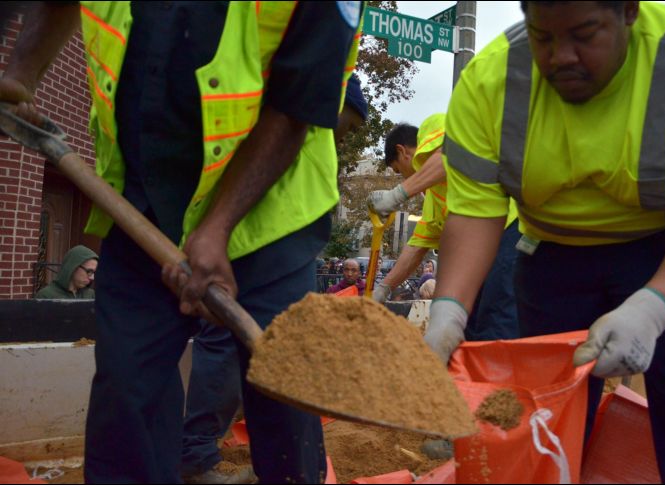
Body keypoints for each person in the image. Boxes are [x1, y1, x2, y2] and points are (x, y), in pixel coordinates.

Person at [0, 2, 362, 483]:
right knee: (127, 392)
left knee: (283, 397)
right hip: (141, 204)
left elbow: (298, 104)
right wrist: (20, 73)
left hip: (270, 213)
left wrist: (216, 229)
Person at [429, 1, 665, 482]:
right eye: (543, 37)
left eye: (584, 34)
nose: (561, 56)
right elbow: (476, 210)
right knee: (544, 393)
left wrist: (650, 311)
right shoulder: (490, 82)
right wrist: (450, 309)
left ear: (628, 11)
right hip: (552, 253)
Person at [180, 67, 370, 484]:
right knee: (233, 347)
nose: (341, 138)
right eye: (344, 126)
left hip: (267, 231)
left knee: (265, 355)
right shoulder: (292, 109)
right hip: (248, 231)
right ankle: (195, 455)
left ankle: (277, 469)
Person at [369, 115, 521, 340]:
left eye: (398, 169)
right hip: (478, 247)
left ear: (402, 151)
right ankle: (470, 372)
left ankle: (498, 372)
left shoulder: (433, 127)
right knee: (470, 323)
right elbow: (416, 247)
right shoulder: (433, 197)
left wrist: (397, 194)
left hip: (506, 229)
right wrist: (383, 289)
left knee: (497, 317)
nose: (402, 176)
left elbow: (451, 155)